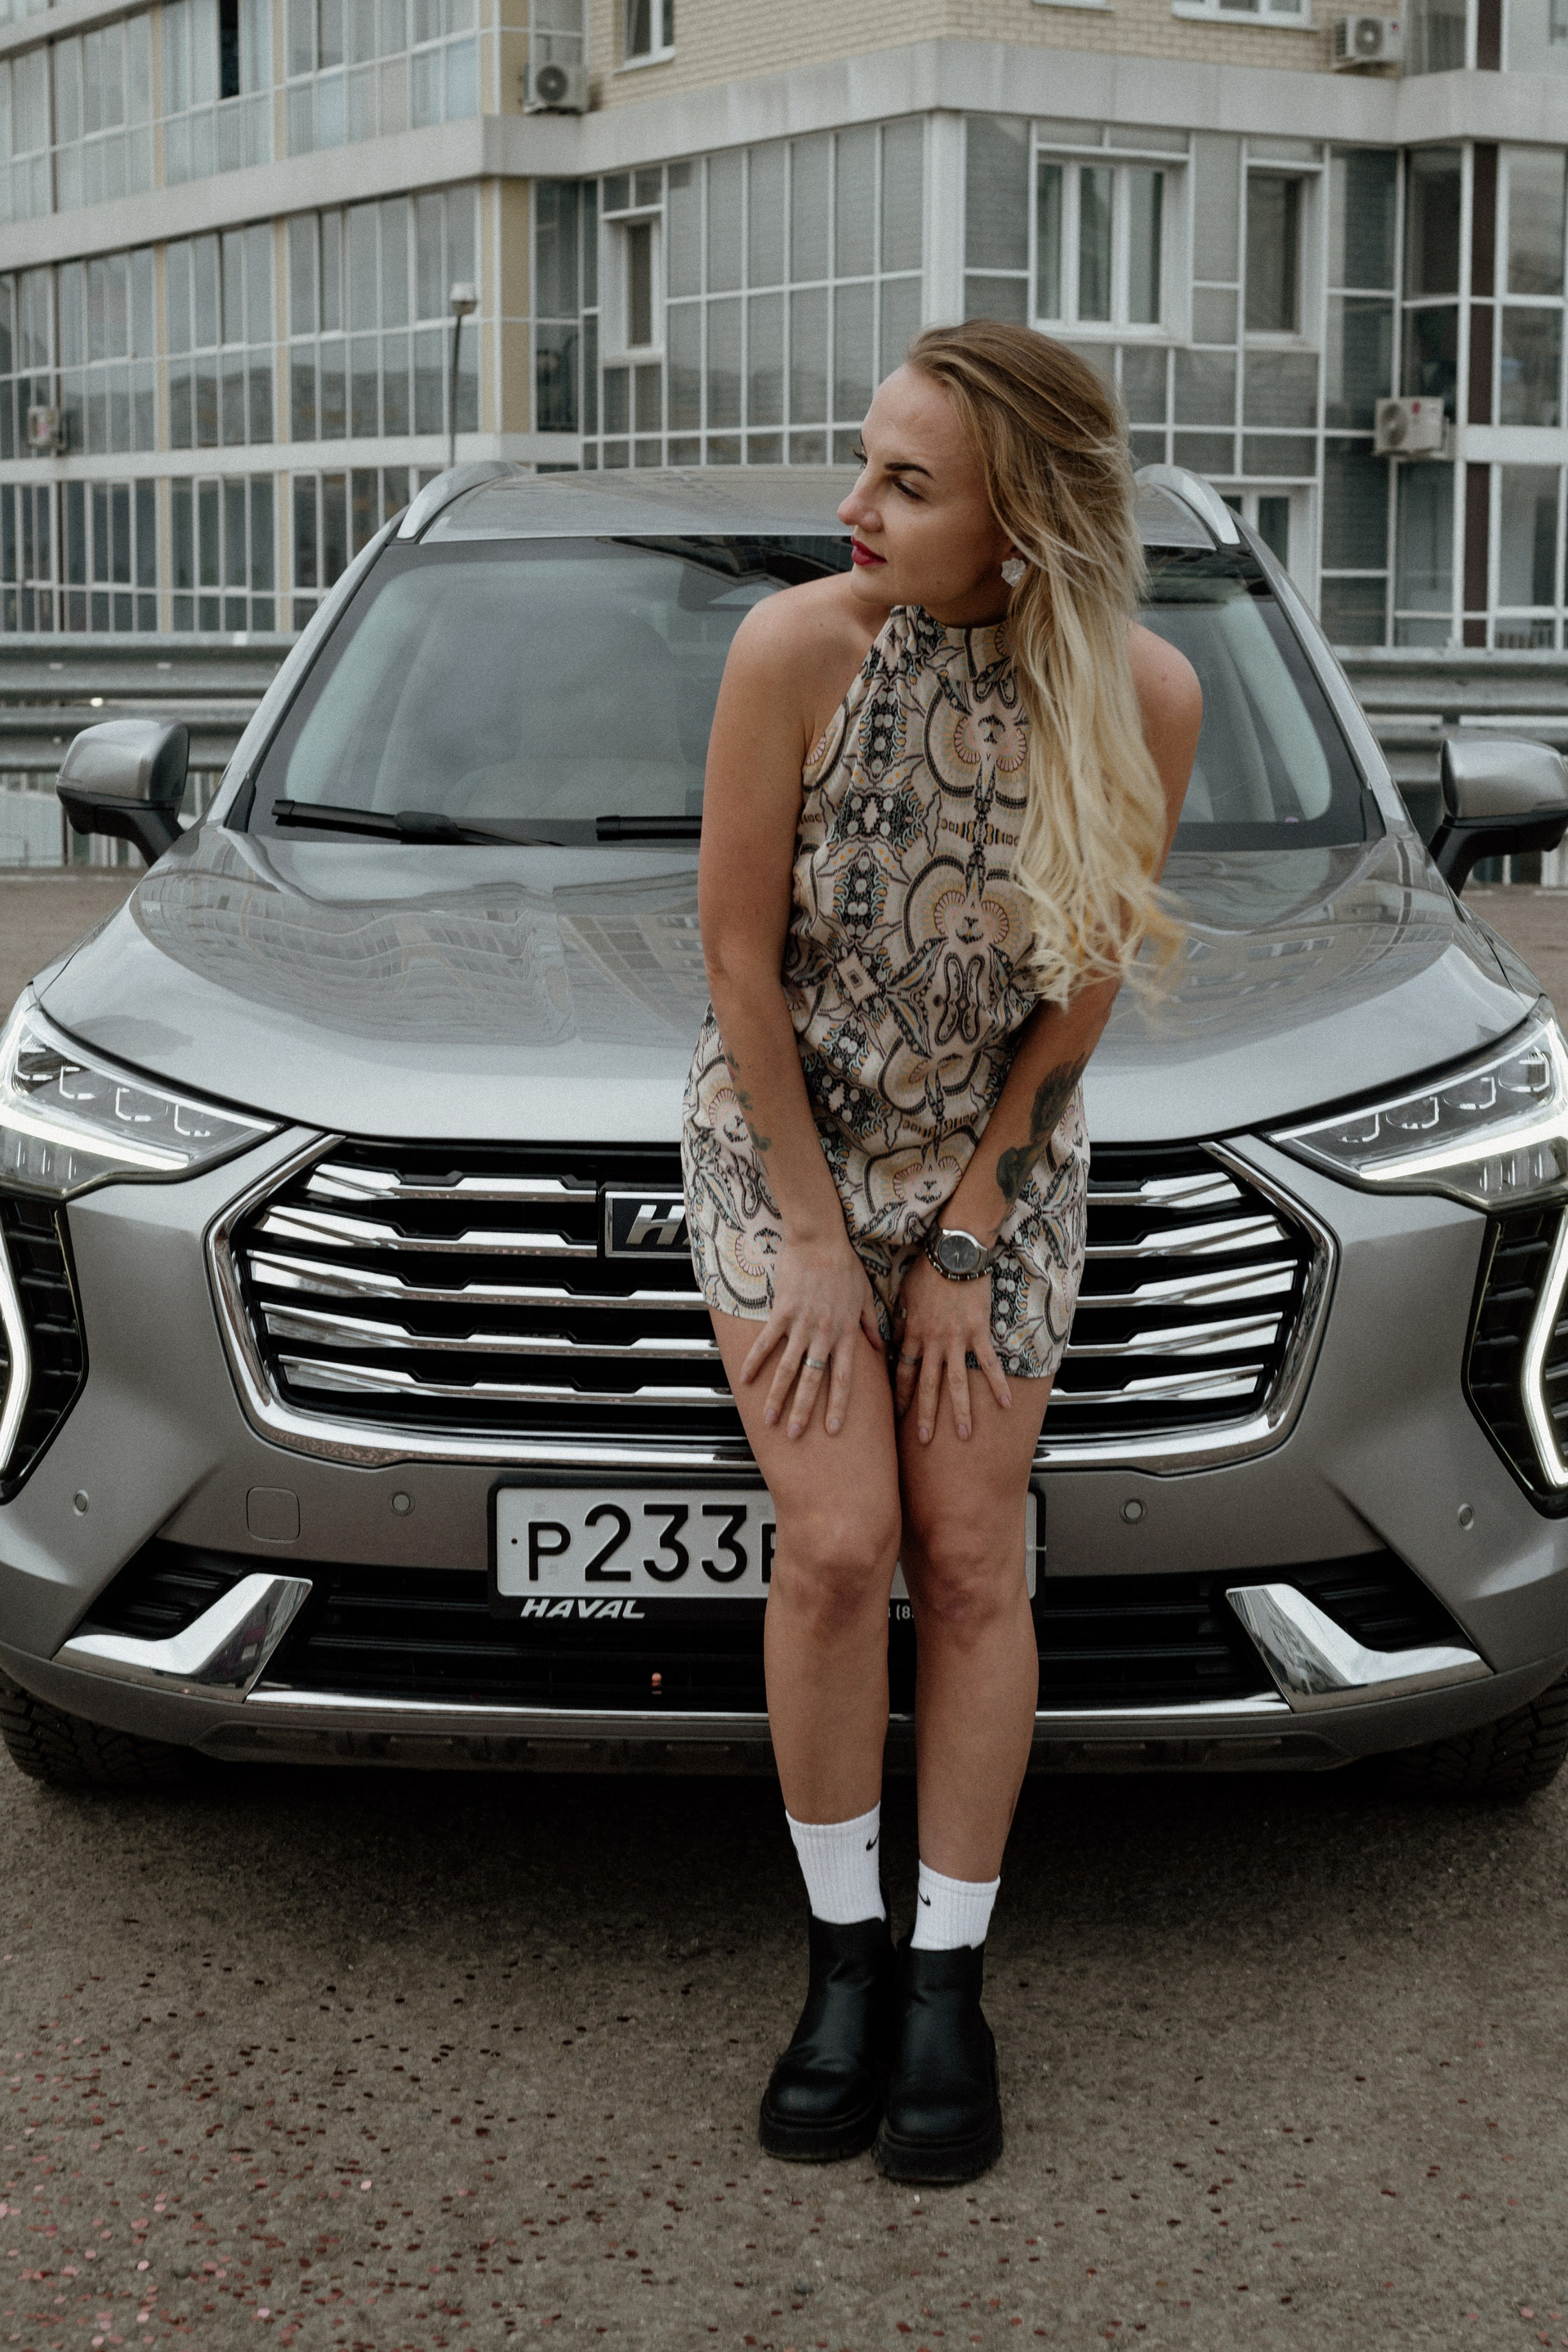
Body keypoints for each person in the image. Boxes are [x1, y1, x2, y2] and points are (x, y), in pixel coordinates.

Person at [681, 318, 1202, 2185]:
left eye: (907, 483)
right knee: (841, 1547)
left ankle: (943, 1983)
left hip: (1001, 1160)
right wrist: (822, 1243)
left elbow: (1083, 996)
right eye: (867, 462)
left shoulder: (1145, 698)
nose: (857, 506)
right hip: (788, 1147)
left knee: (974, 1560)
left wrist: (976, 1216)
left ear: (1026, 521)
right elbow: (736, 961)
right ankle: (842, 1958)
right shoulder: (794, 651)